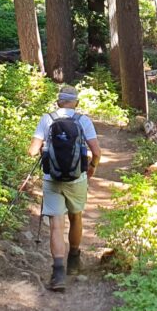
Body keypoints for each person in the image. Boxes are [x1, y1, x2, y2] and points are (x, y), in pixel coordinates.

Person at [28, 86, 100, 291]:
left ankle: (58, 274)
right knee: (76, 216)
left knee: (56, 225)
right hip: (78, 179)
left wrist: (45, 149)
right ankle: (74, 261)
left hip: (52, 179)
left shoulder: (47, 119)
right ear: (75, 103)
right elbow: (96, 151)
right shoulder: (83, 120)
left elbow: (32, 151)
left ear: (58, 102)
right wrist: (92, 167)